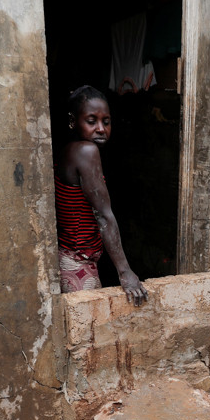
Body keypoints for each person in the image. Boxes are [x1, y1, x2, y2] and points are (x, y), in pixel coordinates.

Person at [54, 85, 148, 305]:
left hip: (69, 258)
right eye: (91, 121)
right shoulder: (86, 151)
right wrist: (125, 272)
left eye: (106, 121)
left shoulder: (68, 150)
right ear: (73, 121)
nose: (101, 128)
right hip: (78, 264)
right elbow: (103, 216)